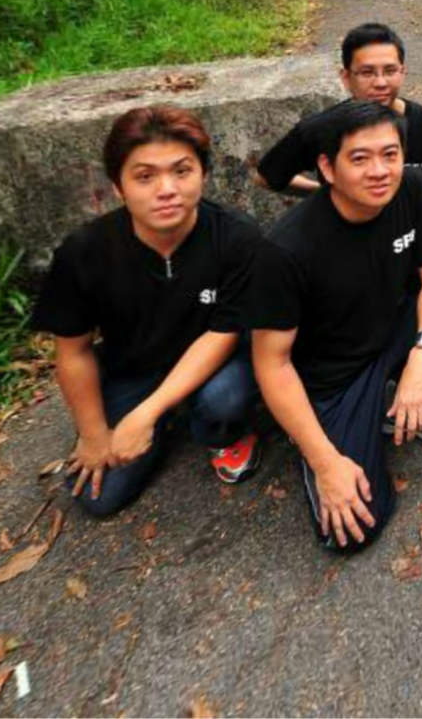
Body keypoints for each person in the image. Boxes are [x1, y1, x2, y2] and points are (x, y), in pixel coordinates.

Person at [247, 100, 422, 553]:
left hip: (390, 329)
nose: (380, 171)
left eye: (390, 154)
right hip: (332, 376)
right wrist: (325, 463)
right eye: (360, 158)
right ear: (328, 167)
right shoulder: (286, 250)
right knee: (351, 533)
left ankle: (410, 407)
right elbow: (272, 365)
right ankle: (330, 437)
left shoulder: (412, 188)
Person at [29, 105, 266, 518]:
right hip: (133, 366)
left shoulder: (237, 238)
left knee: (224, 402)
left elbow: (224, 332)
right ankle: (157, 419)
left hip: (214, 360)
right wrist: (93, 433)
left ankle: (218, 431)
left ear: (203, 175)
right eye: (144, 176)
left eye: (182, 171)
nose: (166, 188)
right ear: (119, 187)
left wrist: (146, 414)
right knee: (98, 499)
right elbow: (73, 351)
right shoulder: (84, 253)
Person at [255, 22, 422, 220]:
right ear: (346, 78)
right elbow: (266, 177)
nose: (380, 82)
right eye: (367, 73)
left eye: (390, 71)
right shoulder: (321, 129)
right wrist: (325, 192)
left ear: (402, 72)